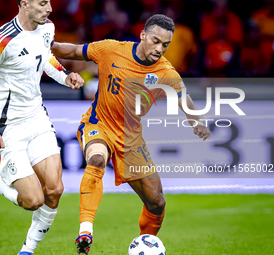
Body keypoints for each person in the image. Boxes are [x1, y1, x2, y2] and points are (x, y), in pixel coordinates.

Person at [51, 14, 210, 254]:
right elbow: (72, 51)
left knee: (156, 202)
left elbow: (183, 99)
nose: (160, 49)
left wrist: (196, 121)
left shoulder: (166, 72)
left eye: (165, 45)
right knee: (96, 159)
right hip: (99, 124)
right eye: (155, 41)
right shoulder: (111, 50)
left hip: (131, 138)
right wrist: (43, 44)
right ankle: (85, 231)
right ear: (143, 35)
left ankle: (145, 245)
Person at [0, 0, 84, 254]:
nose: (50, 8)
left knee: (55, 190)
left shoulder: (47, 28)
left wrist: (65, 76)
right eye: (43, 3)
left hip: (37, 118)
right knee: (33, 201)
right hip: (9, 127)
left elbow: (46, 59)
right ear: (24, 4)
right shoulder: (2, 40)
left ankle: (27, 250)